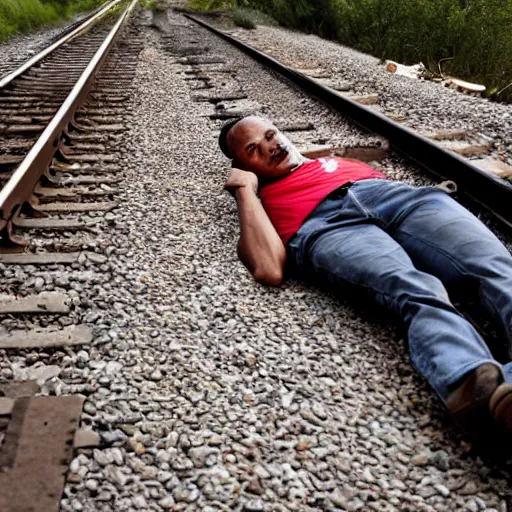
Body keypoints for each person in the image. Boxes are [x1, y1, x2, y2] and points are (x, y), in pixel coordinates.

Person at [219, 114, 512, 456]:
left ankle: (502, 397)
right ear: (242, 164)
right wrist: (243, 189)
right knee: (414, 288)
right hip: (324, 224)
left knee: (495, 267)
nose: (271, 146)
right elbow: (269, 269)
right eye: (254, 149)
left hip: (396, 198)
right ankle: (474, 389)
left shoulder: (332, 161)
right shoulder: (259, 200)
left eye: (271, 135)